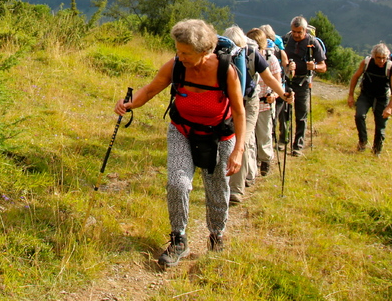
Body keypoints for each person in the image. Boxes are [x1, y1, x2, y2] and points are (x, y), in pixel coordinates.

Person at [114, 19, 246, 268]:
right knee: (177, 183)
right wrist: (129, 104)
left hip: (219, 136)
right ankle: (178, 239)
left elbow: (239, 112)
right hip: (182, 131)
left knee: (217, 187)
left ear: (204, 51)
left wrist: (238, 150)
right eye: (178, 50)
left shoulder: (225, 70)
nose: (180, 56)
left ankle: (216, 235)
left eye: (186, 53)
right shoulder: (176, 65)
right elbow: (150, 90)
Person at [223, 26, 293, 202]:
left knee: (242, 141)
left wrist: (283, 94)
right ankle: (232, 179)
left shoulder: (253, 54)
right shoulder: (220, 54)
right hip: (227, 103)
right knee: (226, 141)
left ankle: (236, 190)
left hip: (248, 103)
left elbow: (269, 78)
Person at [282, 16, 326, 156]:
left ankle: (298, 145)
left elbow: (323, 66)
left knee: (301, 113)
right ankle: (283, 140)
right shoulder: (286, 40)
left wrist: (315, 67)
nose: (296, 35)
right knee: (284, 111)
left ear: (305, 30)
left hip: (303, 81)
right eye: (294, 31)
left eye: (299, 32)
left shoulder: (313, 43)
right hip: (287, 80)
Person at [346, 43, 392, 155]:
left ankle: (376, 151)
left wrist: (390, 107)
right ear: (373, 56)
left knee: (380, 126)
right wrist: (350, 95)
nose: (381, 61)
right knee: (359, 116)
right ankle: (363, 142)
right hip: (366, 95)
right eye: (378, 58)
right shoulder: (366, 63)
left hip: (382, 98)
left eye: (384, 58)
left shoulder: (391, 68)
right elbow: (355, 77)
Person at [247, 28, 283, 178]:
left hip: (264, 103)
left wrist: (274, 94)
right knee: (250, 138)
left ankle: (266, 159)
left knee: (264, 135)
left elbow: (277, 82)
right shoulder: (245, 58)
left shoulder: (270, 59)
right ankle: (251, 167)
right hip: (249, 104)